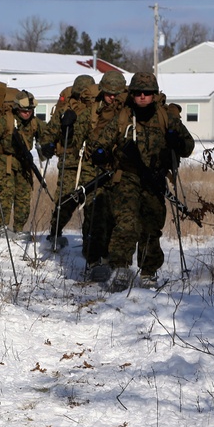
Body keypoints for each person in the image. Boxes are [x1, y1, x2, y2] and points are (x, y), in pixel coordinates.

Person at [89, 71, 195, 291]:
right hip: (128, 176)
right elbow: (99, 142)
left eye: (148, 93)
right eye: (138, 93)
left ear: (155, 95)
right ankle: (120, 269)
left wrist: (177, 141)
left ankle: (148, 271)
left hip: (155, 179)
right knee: (127, 222)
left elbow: (188, 147)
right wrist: (99, 152)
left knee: (151, 225)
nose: (143, 97)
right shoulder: (123, 116)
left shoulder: (166, 117)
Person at [80, 70, 128, 282]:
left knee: (115, 215)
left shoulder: (127, 112)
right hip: (94, 169)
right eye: (109, 94)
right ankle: (93, 260)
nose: (112, 98)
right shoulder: (92, 112)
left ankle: (112, 260)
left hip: (119, 170)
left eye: (116, 94)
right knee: (93, 213)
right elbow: (74, 141)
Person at [41, 74, 98, 247]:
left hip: (90, 163)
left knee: (91, 205)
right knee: (65, 201)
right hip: (69, 161)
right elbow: (50, 130)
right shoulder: (65, 109)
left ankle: (90, 241)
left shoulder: (98, 109)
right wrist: (47, 144)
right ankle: (55, 234)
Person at [0, 89, 45, 234]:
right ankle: (1, 227)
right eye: (24, 110)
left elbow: (47, 136)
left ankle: (19, 229)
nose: (27, 113)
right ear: (17, 108)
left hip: (24, 164)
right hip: (5, 162)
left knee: (23, 198)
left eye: (30, 110)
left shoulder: (35, 123)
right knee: (5, 196)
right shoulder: (6, 120)